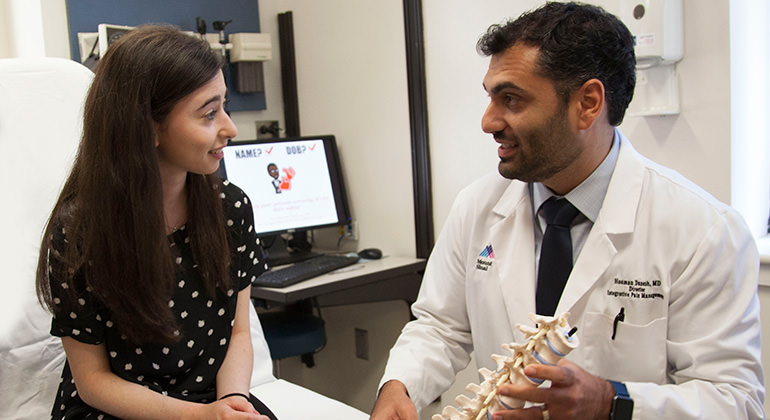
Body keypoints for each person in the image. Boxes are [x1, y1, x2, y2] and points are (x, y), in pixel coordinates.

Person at [370, 3, 764, 420]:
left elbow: (736, 402)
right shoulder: (477, 205)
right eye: (491, 97)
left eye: (511, 99)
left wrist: (610, 403)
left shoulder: (703, 230)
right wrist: (400, 387)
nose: (488, 122)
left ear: (588, 103)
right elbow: (440, 326)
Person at [35, 25, 277, 420]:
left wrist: (232, 403)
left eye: (225, 106)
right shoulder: (80, 234)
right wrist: (201, 417)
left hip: (211, 402)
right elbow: (92, 381)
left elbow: (238, 333)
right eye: (209, 113)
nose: (230, 129)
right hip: (119, 410)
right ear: (148, 128)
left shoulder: (230, 207)